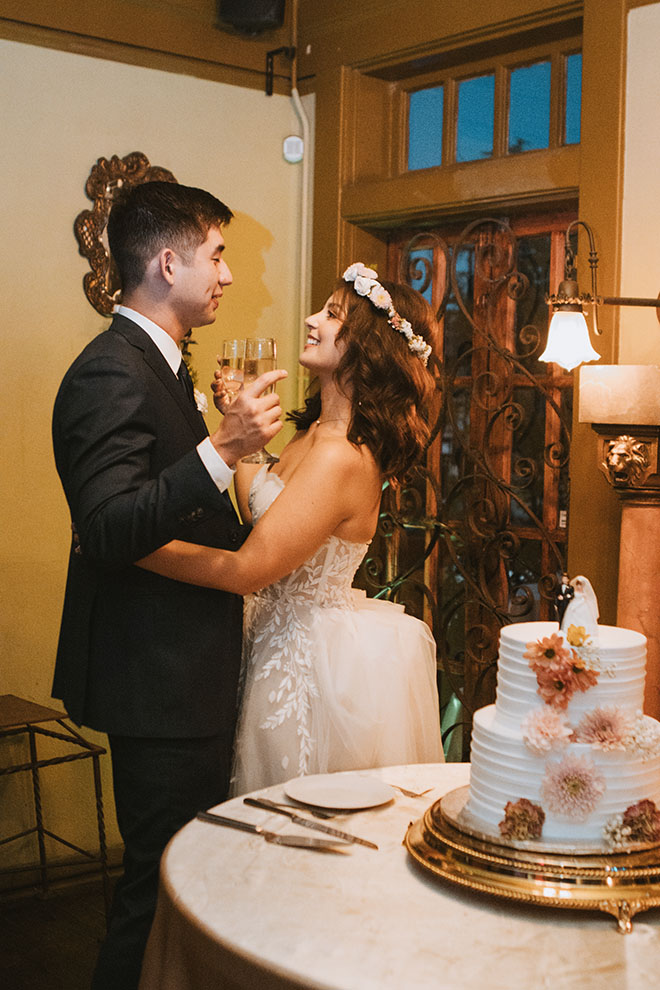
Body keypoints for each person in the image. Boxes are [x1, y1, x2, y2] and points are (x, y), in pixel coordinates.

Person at [51, 180, 286, 990]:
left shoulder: (161, 363)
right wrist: (223, 450)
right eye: (217, 255)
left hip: (183, 671)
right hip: (156, 675)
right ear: (166, 261)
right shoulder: (108, 372)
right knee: (156, 887)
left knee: (175, 880)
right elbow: (110, 528)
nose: (225, 274)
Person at [137, 262, 445, 793]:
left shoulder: (342, 458)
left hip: (308, 665)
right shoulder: (310, 435)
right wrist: (237, 430)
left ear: (368, 347)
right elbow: (264, 512)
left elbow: (247, 569)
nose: (310, 320)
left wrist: (135, 547)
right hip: (268, 641)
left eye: (330, 314)